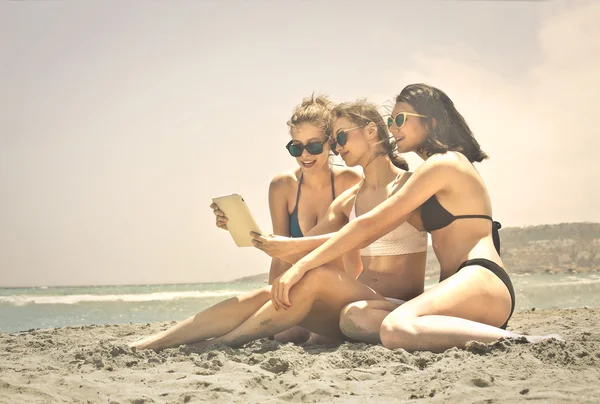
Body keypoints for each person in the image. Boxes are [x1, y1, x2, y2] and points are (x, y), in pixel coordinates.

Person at [273, 84, 561, 353]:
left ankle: (528, 341)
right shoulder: (432, 168)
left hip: (481, 276)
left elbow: (370, 224)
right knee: (354, 318)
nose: (392, 129)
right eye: (390, 121)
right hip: (458, 285)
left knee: (396, 327)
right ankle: (466, 332)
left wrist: (301, 266)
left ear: (431, 122)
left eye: (400, 119)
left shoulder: (444, 162)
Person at [130, 100, 429, 350]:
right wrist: (249, 234)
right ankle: (156, 342)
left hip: (394, 306)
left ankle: (223, 342)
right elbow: (300, 246)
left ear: (371, 131)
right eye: (335, 140)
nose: (337, 148)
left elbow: (456, 236)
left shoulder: (412, 186)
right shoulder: (349, 200)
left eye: (338, 139)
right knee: (271, 294)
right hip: (353, 300)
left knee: (314, 279)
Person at [211, 95, 361, 343]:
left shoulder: (350, 182)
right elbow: (280, 250)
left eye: (313, 146)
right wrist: (235, 227)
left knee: (319, 339)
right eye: (296, 147)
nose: (305, 155)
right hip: (296, 288)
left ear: (330, 144)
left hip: (337, 288)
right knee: (284, 334)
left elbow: (355, 255)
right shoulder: (283, 186)